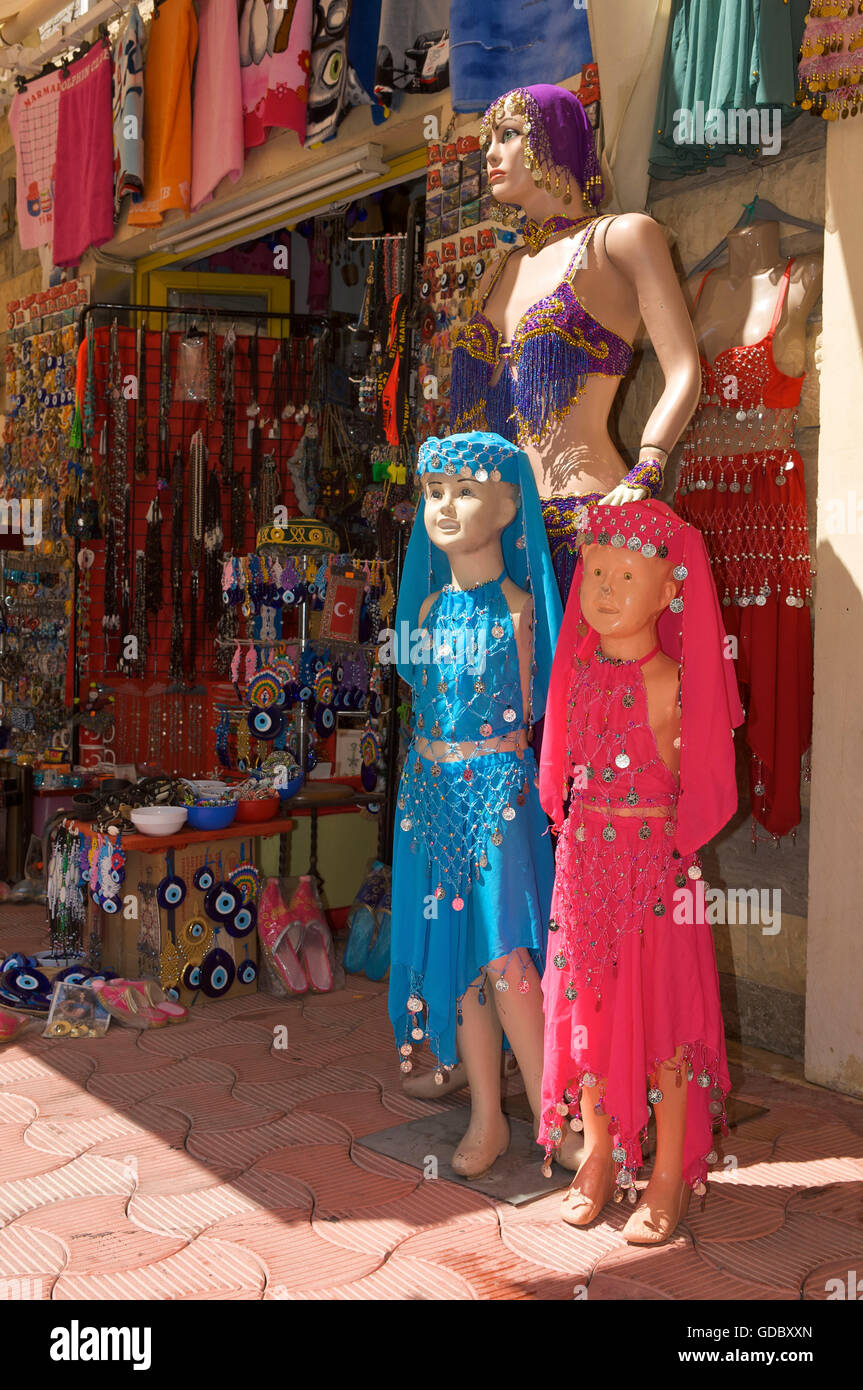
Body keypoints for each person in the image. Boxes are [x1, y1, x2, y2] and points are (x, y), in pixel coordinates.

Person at [538, 499, 743, 1242]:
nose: (605, 587)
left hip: (654, 880)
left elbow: (706, 778)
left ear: (668, 592)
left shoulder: (674, 684)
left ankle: (666, 1175)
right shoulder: (577, 676)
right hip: (583, 869)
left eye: (628, 574)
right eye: (595, 571)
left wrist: (673, 857)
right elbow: (563, 768)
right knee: (588, 1013)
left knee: (664, 1024)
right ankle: (597, 1152)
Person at [388, 430, 578, 1178]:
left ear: (508, 507)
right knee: (461, 957)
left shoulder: (524, 611)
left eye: (463, 491)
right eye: (434, 492)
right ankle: (487, 1117)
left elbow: (540, 719)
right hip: (430, 797)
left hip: (499, 796)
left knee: (507, 958)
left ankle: (552, 1120)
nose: (444, 506)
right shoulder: (429, 607)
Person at [450, 83, 702, 600]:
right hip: (493, 541)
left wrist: (650, 464)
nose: (492, 154)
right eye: (487, 143)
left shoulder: (622, 238)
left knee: (580, 681)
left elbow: (684, 370)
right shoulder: (500, 270)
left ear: (554, 143)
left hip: (585, 526)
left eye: (509, 135)